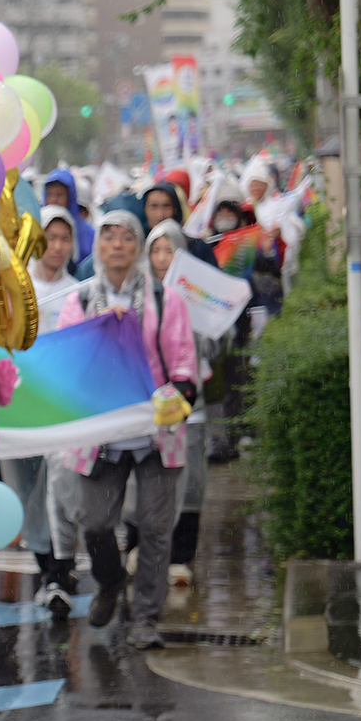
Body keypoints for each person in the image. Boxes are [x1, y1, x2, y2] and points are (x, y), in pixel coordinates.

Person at [58, 211, 198, 650]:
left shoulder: (165, 298)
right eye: (108, 237)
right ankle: (111, 580)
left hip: (156, 434)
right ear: (97, 247)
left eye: (126, 237)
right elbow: (68, 364)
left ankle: (146, 620)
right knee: (95, 523)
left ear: (138, 248)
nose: (117, 245)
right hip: (102, 436)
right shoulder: (78, 302)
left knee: (156, 530)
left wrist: (177, 396)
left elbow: (183, 363)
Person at [5, 205, 80, 619]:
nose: (57, 246)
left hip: (60, 406)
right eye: (49, 238)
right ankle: (46, 563)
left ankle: (56, 569)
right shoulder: (15, 284)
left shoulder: (78, 289)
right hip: (18, 404)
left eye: (65, 238)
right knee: (26, 487)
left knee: (59, 486)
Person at [148, 218, 209, 586]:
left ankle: (181, 556)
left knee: (190, 481)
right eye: (155, 250)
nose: (161, 258)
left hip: (191, 406)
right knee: (150, 479)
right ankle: (145, 549)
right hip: (152, 407)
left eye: (168, 249)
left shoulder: (196, 295)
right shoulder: (142, 295)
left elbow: (216, 341)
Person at [43, 168, 93, 265]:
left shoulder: (89, 235)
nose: (53, 200)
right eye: (49, 194)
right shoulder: (36, 229)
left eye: (59, 194)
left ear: (70, 197)